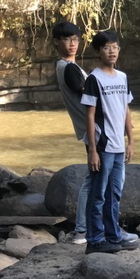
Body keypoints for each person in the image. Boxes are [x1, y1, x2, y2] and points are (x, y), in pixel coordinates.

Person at [80, 30, 137, 254]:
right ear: (98, 51)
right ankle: (94, 240)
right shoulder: (94, 79)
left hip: (118, 144)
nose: (111, 51)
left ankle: (113, 236)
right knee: (98, 194)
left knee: (114, 193)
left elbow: (126, 109)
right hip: (102, 145)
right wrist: (92, 151)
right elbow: (90, 115)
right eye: (106, 47)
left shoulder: (122, 77)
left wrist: (131, 141)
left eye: (115, 47)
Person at [52, 20, 90, 245]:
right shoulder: (69, 69)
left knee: (96, 179)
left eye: (75, 39)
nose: (72, 43)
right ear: (56, 42)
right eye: (66, 39)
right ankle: (83, 231)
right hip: (93, 129)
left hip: (88, 129)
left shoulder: (65, 66)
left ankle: (87, 229)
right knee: (93, 181)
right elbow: (90, 99)